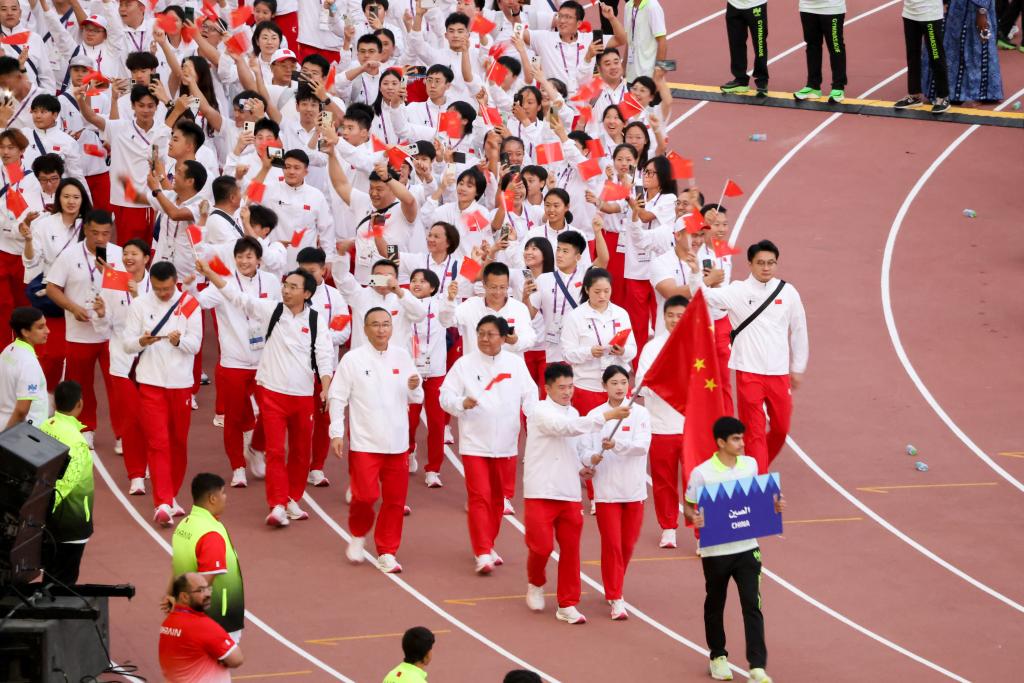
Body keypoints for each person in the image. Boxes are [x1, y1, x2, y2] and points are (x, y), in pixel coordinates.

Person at [197, 260, 334, 528]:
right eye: (285, 285)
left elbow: (324, 356)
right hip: (272, 392)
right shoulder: (272, 310)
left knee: (300, 452)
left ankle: (292, 498)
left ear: (307, 293)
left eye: (293, 287)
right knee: (275, 451)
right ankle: (277, 505)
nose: (286, 291)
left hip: (302, 395)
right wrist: (210, 273)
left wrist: (326, 387)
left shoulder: (316, 321)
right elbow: (238, 298)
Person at [686, 240, 808, 475]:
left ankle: (753, 468)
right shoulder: (738, 291)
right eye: (760, 263)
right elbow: (703, 295)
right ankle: (758, 480)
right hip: (748, 372)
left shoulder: (788, 292)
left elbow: (799, 330)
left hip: (779, 372)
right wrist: (694, 273)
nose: (766, 268)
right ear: (750, 264)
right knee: (754, 433)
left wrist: (798, 367)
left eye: (771, 263)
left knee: (781, 429)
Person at [523, 363, 630, 625]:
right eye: (562, 387)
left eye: (570, 387)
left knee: (571, 550)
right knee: (541, 547)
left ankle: (567, 604)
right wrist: (606, 416)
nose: (567, 392)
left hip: (569, 492)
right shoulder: (539, 411)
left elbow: (578, 448)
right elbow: (564, 428)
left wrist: (588, 462)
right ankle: (536, 581)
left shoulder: (575, 413)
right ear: (547, 388)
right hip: (541, 489)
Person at [683, 416, 784, 683]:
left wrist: (774, 506)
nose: (742, 443)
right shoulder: (702, 473)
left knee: (753, 604)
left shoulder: (750, 465)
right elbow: (689, 506)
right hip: (715, 552)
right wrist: (694, 517)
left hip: (748, 549)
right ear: (721, 442)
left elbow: (759, 501)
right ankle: (718, 656)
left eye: (742, 437)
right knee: (715, 603)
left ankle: (757, 666)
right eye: (736, 439)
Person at [440, 316, 538, 574]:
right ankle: (482, 550)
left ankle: (487, 543)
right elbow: (445, 395)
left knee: (497, 500)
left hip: (506, 443)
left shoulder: (515, 364)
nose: (484, 338)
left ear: (504, 338)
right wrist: (461, 404)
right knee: (480, 496)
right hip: (475, 442)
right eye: (481, 333)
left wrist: (535, 421)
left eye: (491, 334)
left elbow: (530, 395)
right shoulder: (464, 364)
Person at [329, 308, 422, 574]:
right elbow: (337, 396)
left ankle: (387, 551)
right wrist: (336, 432)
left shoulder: (402, 356)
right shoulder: (352, 360)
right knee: (366, 496)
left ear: (391, 327)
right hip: (365, 442)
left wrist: (414, 387)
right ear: (365, 328)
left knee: (394, 501)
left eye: (386, 324)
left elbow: (416, 397)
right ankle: (358, 534)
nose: (381, 330)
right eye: (375, 325)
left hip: (397, 443)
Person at [123, 261, 203, 526]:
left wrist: (180, 341)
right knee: (158, 443)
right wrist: (141, 341)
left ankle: (172, 494)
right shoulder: (139, 305)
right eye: (158, 289)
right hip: (150, 383)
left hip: (180, 384)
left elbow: (196, 344)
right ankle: (163, 502)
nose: (163, 293)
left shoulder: (189, 304)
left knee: (178, 442)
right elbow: (127, 344)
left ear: (175, 282)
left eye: (167, 289)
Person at [45, 210, 123, 445]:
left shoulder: (119, 254)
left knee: (118, 385)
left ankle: (122, 433)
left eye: (106, 233)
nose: (100, 238)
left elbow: (130, 287)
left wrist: (108, 273)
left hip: (112, 333)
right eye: (95, 233)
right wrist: (72, 307)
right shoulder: (69, 255)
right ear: (85, 229)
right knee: (82, 385)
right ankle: (86, 428)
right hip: (79, 334)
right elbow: (52, 288)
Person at [584, 366, 651, 620]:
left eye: (623, 382)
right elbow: (585, 450)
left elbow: (642, 446)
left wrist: (616, 444)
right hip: (607, 492)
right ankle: (616, 596)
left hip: (634, 491)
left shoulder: (640, 413)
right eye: (614, 383)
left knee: (627, 545)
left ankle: (614, 584)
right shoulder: (595, 416)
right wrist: (590, 459)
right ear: (604, 386)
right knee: (612, 545)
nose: (620, 387)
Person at [635, 296, 688, 549]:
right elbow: (640, 386)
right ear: (663, 317)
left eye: (680, 316)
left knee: (697, 481)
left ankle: (703, 533)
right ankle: (668, 527)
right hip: (660, 426)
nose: (675, 320)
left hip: (691, 428)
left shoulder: (699, 346)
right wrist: (667, 386)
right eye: (670, 315)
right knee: (663, 480)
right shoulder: (652, 348)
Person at [170, 473, 245, 641]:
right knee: (223, 658)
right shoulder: (210, 533)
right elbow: (205, 580)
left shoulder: (184, 525)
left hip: (188, 613)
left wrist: (175, 603)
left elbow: (176, 566)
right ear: (212, 498)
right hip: (219, 616)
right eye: (223, 493)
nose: (225, 497)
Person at [40, 381, 94, 586]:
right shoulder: (78, 442)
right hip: (72, 523)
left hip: (45, 522)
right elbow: (66, 484)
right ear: (80, 403)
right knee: (64, 585)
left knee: (49, 577)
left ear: (54, 404)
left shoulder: (45, 427)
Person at [159, 572, 244, 682]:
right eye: (200, 590)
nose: (208, 594)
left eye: (208, 589)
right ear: (184, 596)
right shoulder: (203, 626)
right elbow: (236, 660)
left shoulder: (168, 622)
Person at [922, 0, 1004, 104]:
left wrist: (982, 11)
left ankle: (975, 94)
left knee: (975, 51)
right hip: (953, 11)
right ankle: (945, 92)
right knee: (945, 46)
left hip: (974, 10)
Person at [894, 0, 951, 113]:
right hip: (909, 12)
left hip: (930, 14)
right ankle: (914, 95)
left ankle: (943, 96)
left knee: (935, 55)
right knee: (912, 55)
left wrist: (945, 2)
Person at [0, 307, 49, 429]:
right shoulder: (29, 363)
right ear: (25, 332)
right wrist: (7, 436)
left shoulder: (7, 351)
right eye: (40, 327)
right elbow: (22, 410)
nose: (48, 331)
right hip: (25, 433)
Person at [794, 0, 847, 102]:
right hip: (807, 6)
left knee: (835, 46)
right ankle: (813, 86)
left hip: (832, 7)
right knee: (812, 46)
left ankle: (838, 87)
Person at [720, 0, 770, 96]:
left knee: (759, 44)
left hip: (756, 5)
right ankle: (740, 80)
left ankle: (762, 81)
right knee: (736, 43)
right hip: (734, 5)